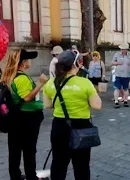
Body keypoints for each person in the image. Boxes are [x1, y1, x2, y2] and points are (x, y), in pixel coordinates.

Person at [43, 50, 102, 180]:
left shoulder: (50, 83)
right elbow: (97, 105)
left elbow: (47, 105)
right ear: (76, 64)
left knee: (59, 162)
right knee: (81, 165)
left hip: (59, 126)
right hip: (81, 127)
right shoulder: (85, 83)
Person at [1, 49, 47, 180]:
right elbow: (27, 97)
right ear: (23, 62)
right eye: (29, 59)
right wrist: (41, 84)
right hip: (27, 118)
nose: (30, 61)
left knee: (14, 150)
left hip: (15, 117)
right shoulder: (22, 78)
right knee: (29, 149)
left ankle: (15, 176)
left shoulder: (9, 76)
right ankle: (31, 176)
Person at [112, 43, 130, 108]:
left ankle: (125, 101)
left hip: (126, 74)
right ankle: (116, 101)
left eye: (123, 49)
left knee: (125, 88)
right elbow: (112, 62)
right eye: (121, 49)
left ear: (126, 49)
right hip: (118, 74)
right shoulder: (117, 54)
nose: (122, 50)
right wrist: (118, 63)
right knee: (117, 88)